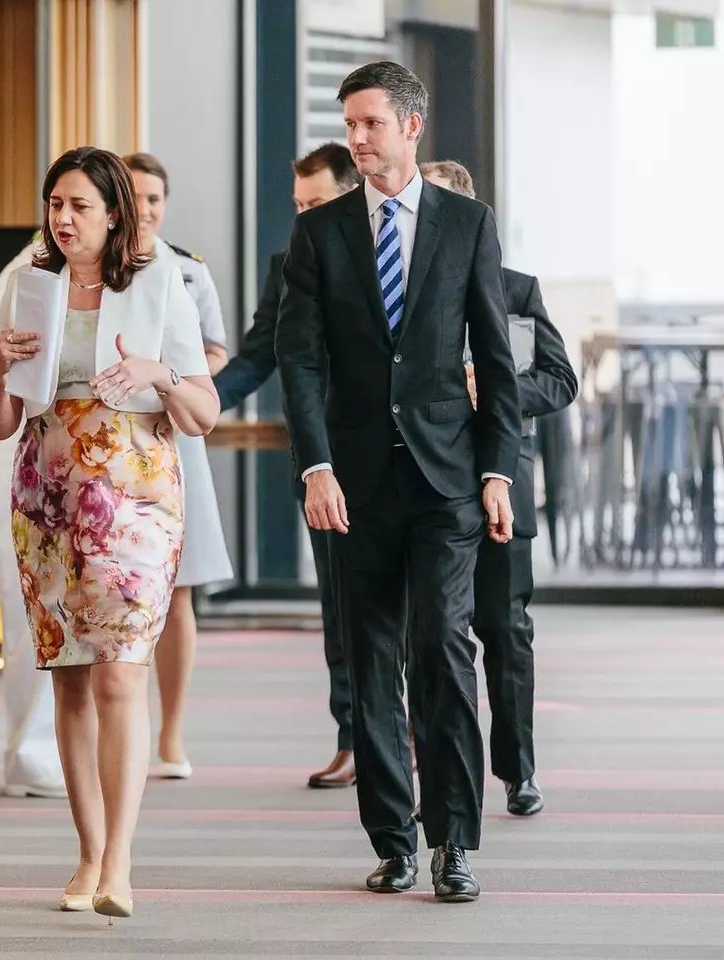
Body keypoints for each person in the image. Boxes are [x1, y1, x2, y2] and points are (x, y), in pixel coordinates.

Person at [275, 62, 521, 902]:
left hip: (448, 480)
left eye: (372, 123)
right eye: (351, 123)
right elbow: (298, 362)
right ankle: (393, 838)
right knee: (371, 662)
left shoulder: (468, 224)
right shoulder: (319, 234)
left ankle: (454, 840)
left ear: (411, 126)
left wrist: (498, 471)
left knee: (443, 653)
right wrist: (314, 466)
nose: (358, 138)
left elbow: (494, 357)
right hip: (351, 483)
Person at [0, 146, 219, 921]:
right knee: (71, 678)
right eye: (54, 204)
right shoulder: (25, 286)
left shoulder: (159, 281)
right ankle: (84, 854)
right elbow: (0, 421)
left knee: (120, 672)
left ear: (115, 212)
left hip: (134, 494)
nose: (63, 217)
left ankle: (120, 860)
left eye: (79, 204)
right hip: (45, 494)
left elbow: (203, 413)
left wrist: (158, 375)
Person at [413, 159, 578, 817]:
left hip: (506, 478)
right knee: (431, 636)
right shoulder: (397, 295)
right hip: (429, 488)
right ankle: (442, 781)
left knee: (505, 632)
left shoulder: (515, 289)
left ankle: (518, 771)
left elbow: (560, 379)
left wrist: (499, 390)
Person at [213, 142, 362, 789]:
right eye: (298, 206)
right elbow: (256, 358)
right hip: (321, 462)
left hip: (400, 456)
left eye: (318, 204)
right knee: (339, 604)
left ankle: (416, 732)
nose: (305, 218)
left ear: (352, 194)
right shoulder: (286, 265)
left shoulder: (392, 258)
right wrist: (194, 398)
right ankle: (354, 737)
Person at [122, 151, 234, 780]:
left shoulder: (188, 271)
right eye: (134, 196)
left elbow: (216, 351)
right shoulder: (90, 269)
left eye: (155, 199)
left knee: (180, 586)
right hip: (114, 440)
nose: (144, 210)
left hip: (175, 431)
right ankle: (127, 724)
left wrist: (175, 376)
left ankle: (170, 733)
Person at [0, 232, 68, 801]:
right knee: (33, 611)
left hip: (91, 471)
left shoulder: (119, 271)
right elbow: (6, 390)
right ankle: (31, 749)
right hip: (34, 460)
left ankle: (61, 747)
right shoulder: (30, 275)